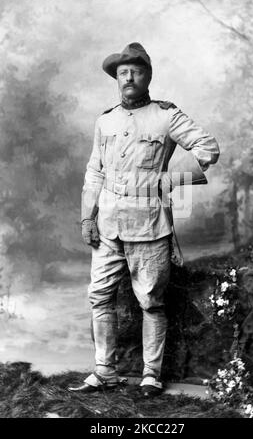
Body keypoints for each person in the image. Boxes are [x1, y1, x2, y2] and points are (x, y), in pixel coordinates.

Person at [68, 42, 220, 397]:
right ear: (116, 79)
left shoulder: (165, 115)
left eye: (136, 71)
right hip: (108, 226)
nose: (129, 78)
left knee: (150, 301)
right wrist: (86, 218)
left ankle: (151, 374)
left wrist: (169, 180)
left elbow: (208, 148)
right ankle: (104, 371)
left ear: (147, 75)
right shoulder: (105, 120)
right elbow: (94, 171)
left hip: (149, 227)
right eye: (123, 73)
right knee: (99, 297)